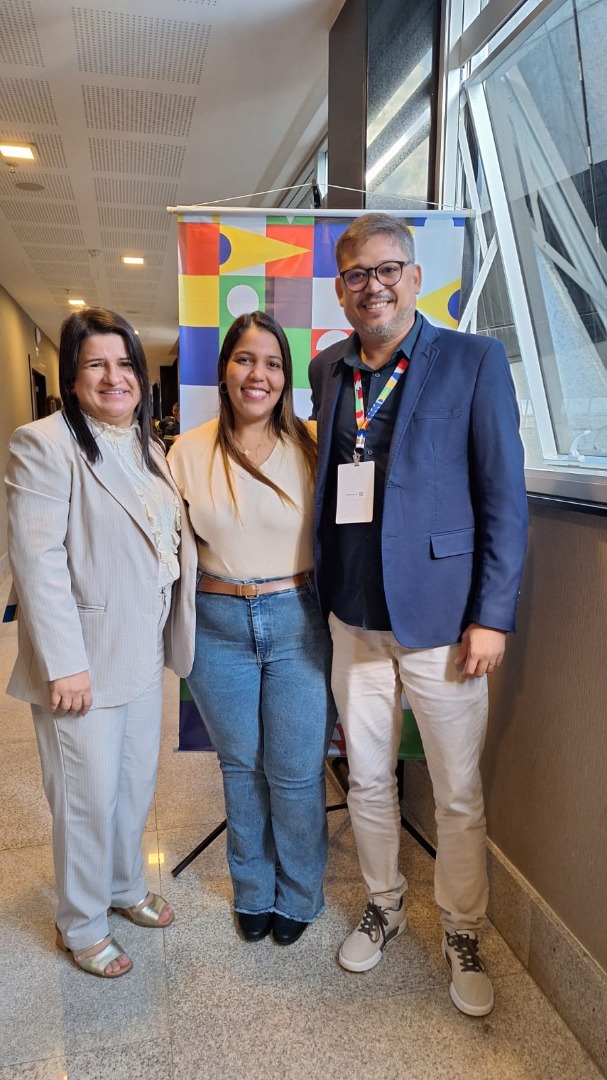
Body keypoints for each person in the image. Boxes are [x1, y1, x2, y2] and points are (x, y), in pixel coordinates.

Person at [309, 214, 528, 1016]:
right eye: (356, 274)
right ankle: (384, 902)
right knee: (367, 777)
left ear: (413, 276)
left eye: (387, 269)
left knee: (456, 792)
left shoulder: (473, 360)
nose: (373, 286)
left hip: (443, 624)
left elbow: (503, 498)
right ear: (340, 289)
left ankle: (462, 927)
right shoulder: (328, 368)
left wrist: (491, 616)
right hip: (352, 616)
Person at [5, 307, 196, 978]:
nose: (115, 378)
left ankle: (122, 885)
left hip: (140, 648)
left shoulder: (147, 447)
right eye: (96, 365)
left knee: (133, 784)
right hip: (81, 660)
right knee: (85, 798)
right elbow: (38, 562)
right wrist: (65, 665)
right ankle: (81, 922)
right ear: (71, 376)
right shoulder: (43, 443)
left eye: (125, 364)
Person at [168, 310, 337, 947]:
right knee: (241, 767)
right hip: (219, 627)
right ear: (224, 370)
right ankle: (253, 889)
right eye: (244, 359)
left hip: (299, 621)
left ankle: (300, 892)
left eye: (271, 363)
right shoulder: (187, 452)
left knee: (295, 770)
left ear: (286, 377)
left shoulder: (314, 444)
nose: (257, 374)